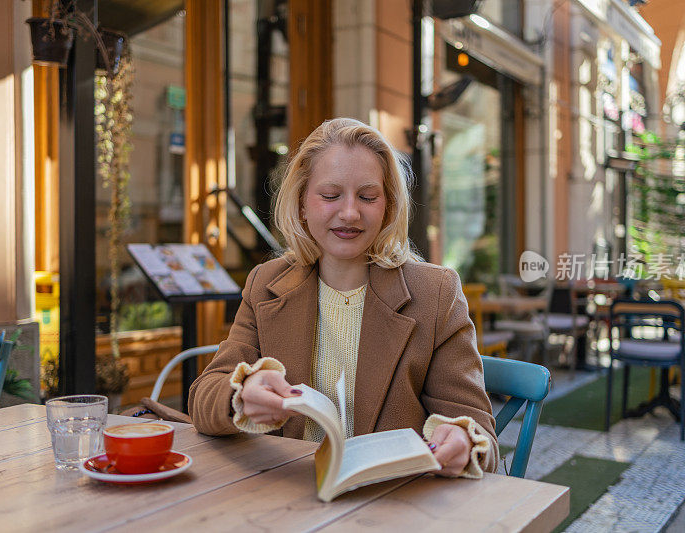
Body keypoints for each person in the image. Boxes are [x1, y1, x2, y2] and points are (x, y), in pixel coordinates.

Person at [188, 118, 497, 477]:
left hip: (394, 502)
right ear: (302, 203)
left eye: (368, 197)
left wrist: (461, 438)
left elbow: (480, 433)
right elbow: (203, 397)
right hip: (288, 493)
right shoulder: (266, 284)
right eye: (330, 195)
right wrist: (239, 394)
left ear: (388, 206)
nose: (350, 213)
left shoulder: (436, 293)